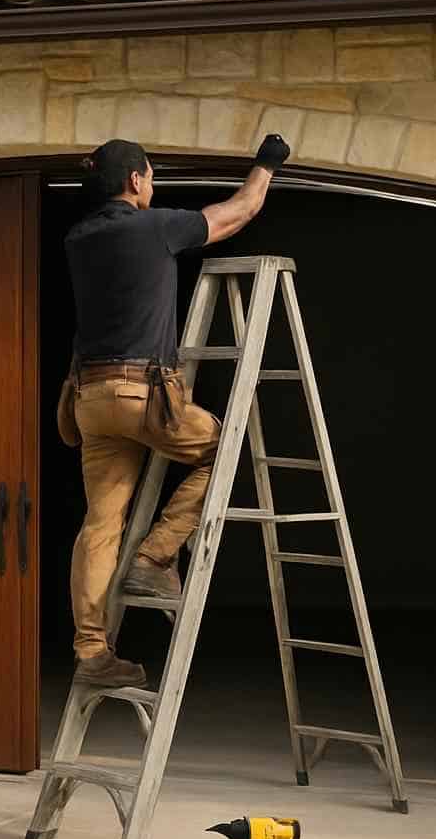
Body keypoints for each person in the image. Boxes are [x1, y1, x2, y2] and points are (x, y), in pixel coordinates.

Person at [64, 133, 290, 688]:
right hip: (145, 396)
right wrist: (266, 163)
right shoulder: (154, 226)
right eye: (151, 176)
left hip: (90, 397)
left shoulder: (79, 237)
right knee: (224, 449)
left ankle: (92, 651)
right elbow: (239, 213)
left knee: (100, 523)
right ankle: (157, 556)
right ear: (137, 180)